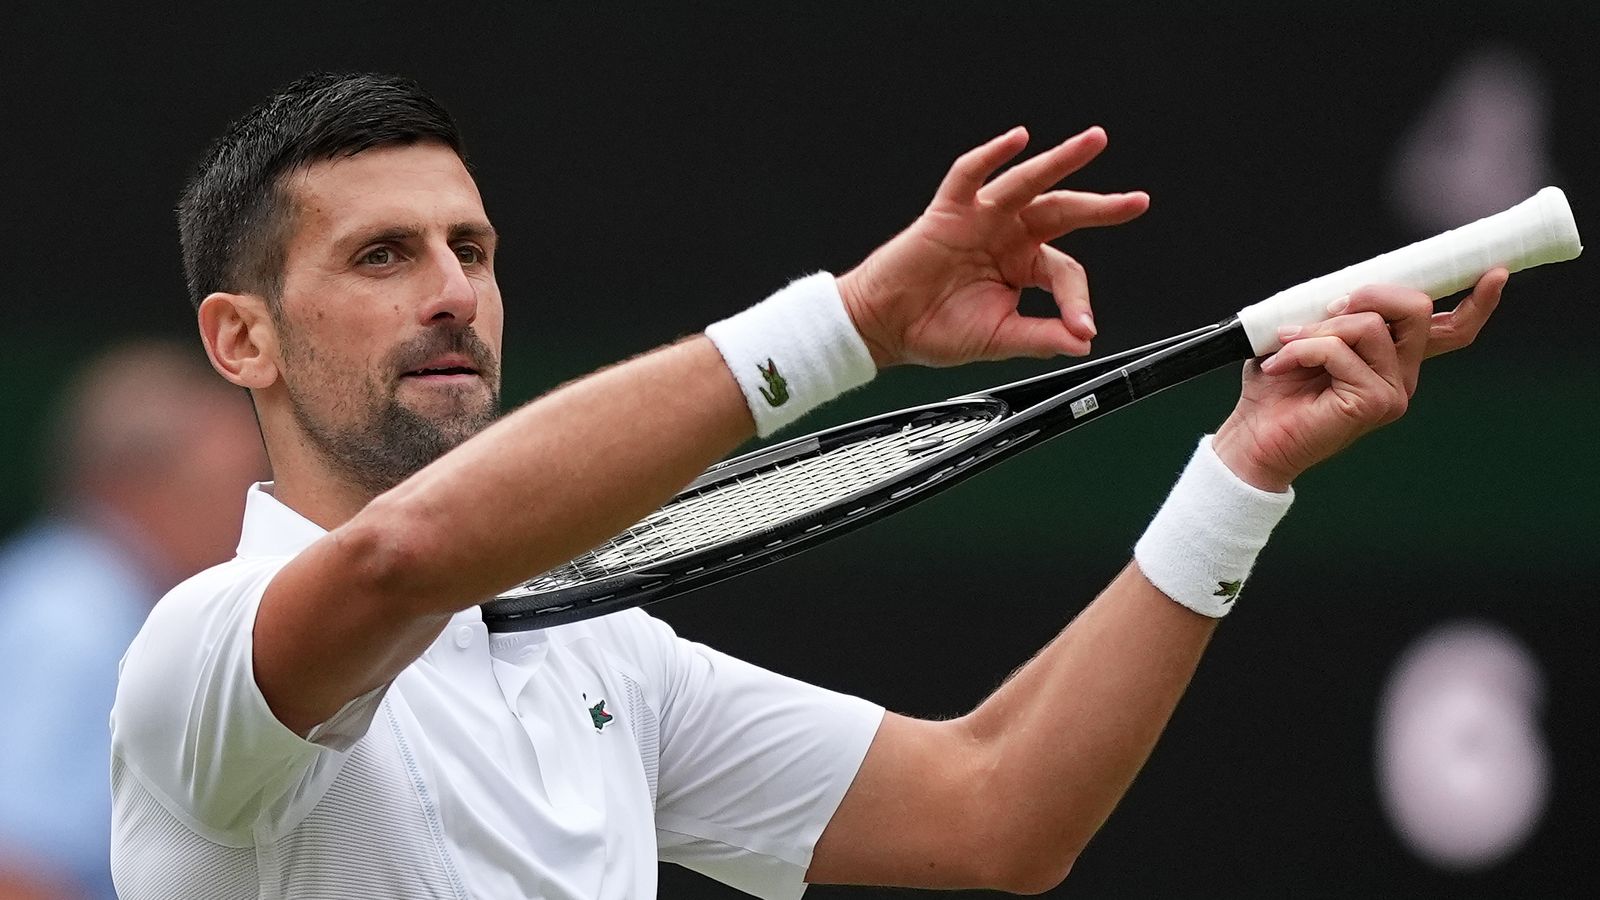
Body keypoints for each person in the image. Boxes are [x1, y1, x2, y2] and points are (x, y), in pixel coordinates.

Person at [109, 73, 1506, 898]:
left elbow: (995, 809)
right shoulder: (199, 654)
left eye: (469, 250)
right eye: (381, 257)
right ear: (243, 340)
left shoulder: (603, 659)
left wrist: (1244, 471)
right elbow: (403, 559)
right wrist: (855, 325)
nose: (452, 295)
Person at [0, 340, 267, 900]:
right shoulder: (73, 621)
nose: (248, 518)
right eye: (230, 488)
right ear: (135, 488)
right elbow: (18, 868)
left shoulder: (88, 594)